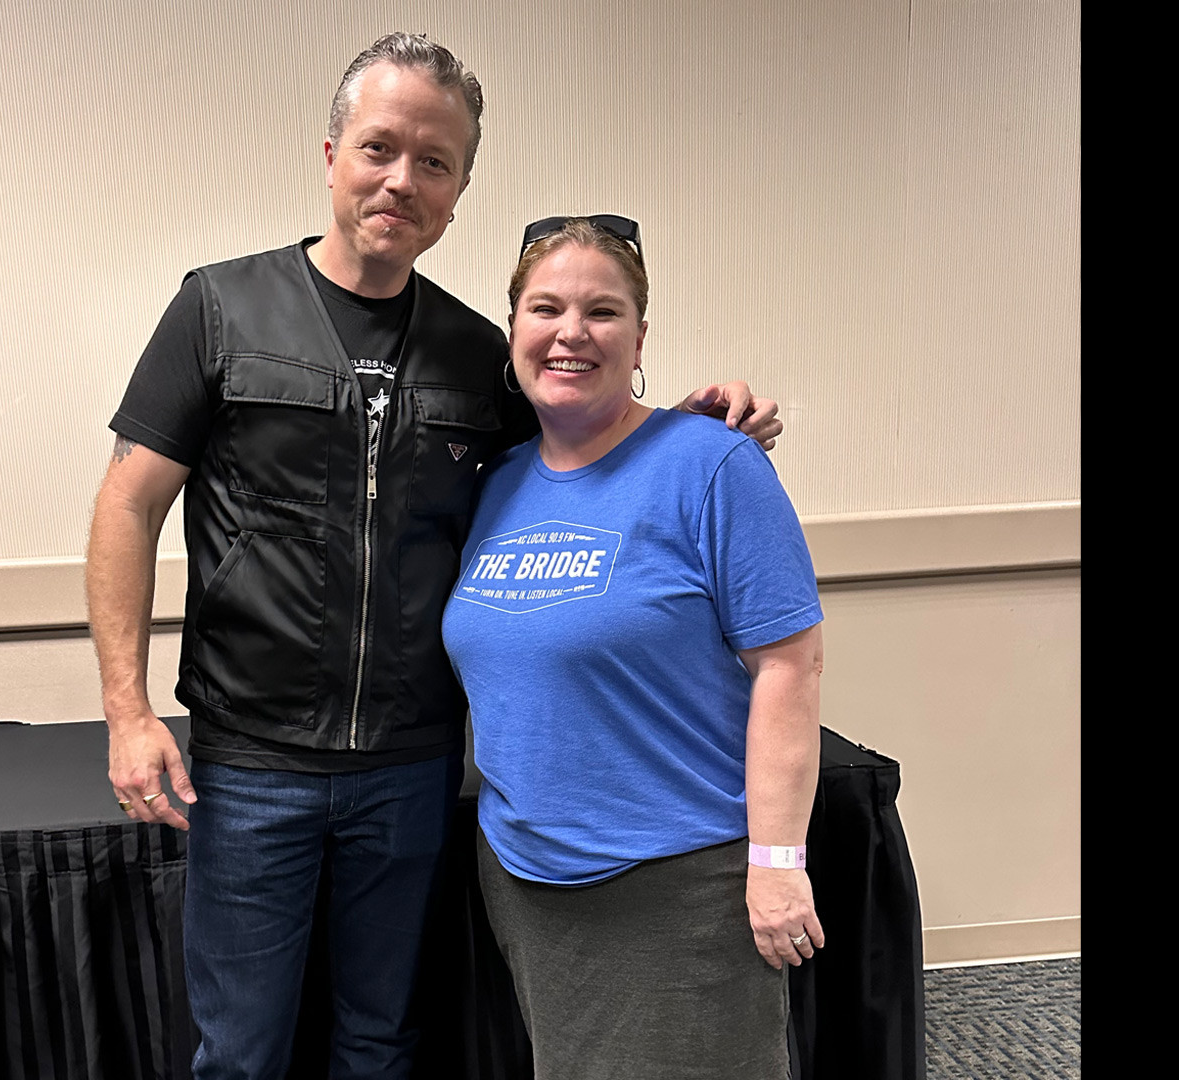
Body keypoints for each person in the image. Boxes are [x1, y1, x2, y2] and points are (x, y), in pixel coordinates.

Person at [84, 35, 783, 1080]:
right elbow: (128, 506)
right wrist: (129, 712)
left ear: (458, 191)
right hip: (253, 760)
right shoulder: (219, 311)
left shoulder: (473, 351)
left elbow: (579, 440)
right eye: (380, 149)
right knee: (240, 1050)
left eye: (435, 162)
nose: (401, 180)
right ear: (331, 156)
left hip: (412, 767)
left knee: (381, 1040)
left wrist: (686, 426)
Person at [441, 216, 826, 1080]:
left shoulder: (714, 465)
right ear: (513, 332)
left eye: (602, 311)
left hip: (680, 879)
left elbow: (789, 667)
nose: (571, 332)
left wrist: (776, 864)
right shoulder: (494, 484)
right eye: (546, 307)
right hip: (527, 878)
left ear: (640, 336)